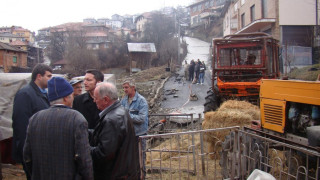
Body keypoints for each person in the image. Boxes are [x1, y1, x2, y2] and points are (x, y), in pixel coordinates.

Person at [23, 77, 93, 180]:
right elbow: (83, 158)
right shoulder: (76, 118)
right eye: (71, 95)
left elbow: (27, 156)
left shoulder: (35, 119)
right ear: (66, 98)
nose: (73, 98)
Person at [12, 64, 52, 180]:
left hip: (42, 149)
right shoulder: (25, 94)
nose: (51, 79)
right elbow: (21, 125)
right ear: (39, 76)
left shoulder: (43, 93)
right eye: (48, 76)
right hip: (32, 150)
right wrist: (26, 153)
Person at [91, 82, 139, 180]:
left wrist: (85, 148)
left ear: (105, 100)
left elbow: (104, 153)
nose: (94, 100)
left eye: (96, 98)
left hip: (116, 175)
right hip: (125, 172)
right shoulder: (120, 111)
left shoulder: (112, 119)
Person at [120, 78, 148, 179]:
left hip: (139, 134)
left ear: (133, 87)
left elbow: (141, 118)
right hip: (128, 134)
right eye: (123, 88)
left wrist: (127, 116)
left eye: (126, 87)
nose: (124, 90)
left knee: (140, 158)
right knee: (129, 158)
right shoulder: (124, 100)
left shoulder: (141, 101)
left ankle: (142, 176)